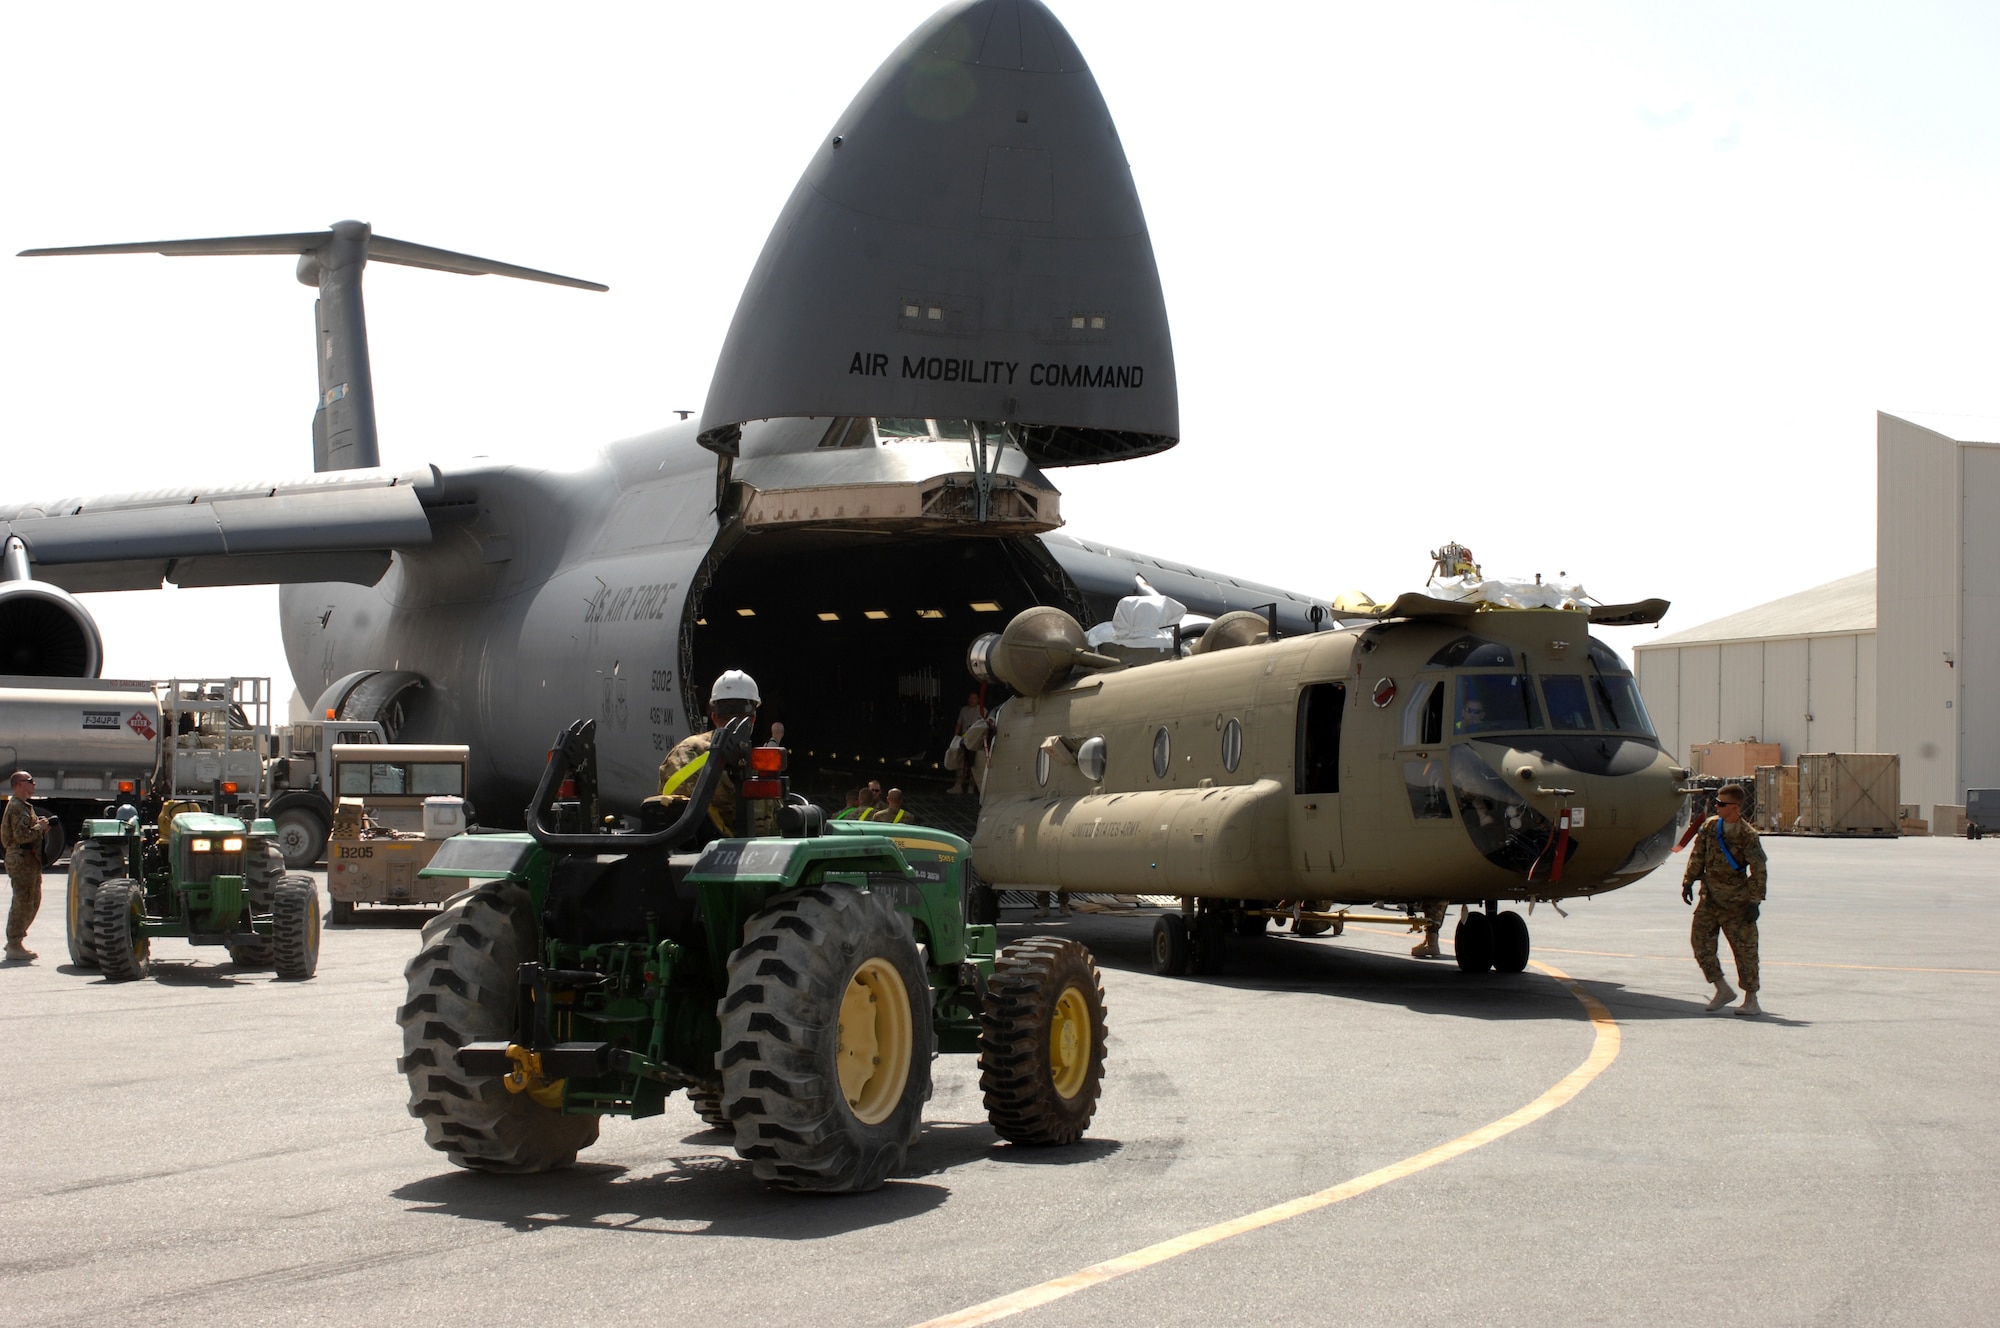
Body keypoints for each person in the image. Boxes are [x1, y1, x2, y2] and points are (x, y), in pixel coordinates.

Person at [1681, 782, 1767, 1015]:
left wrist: (1754, 901)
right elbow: (1698, 854)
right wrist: (1689, 880)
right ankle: (1722, 988)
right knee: (1700, 944)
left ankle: (1751, 1000)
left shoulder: (1747, 835)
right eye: (1717, 802)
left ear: (1735, 807)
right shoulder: (1711, 827)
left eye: (1721, 803)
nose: (1716, 806)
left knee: (1745, 950)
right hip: (1709, 899)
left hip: (1736, 903)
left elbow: (1758, 868)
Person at [657, 671, 760, 838]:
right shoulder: (755, 764)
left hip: (687, 852)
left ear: (713, 717)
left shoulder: (683, 753)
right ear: (753, 719)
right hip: (748, 857)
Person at [3, 771, 51, 962]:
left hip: (29, 860)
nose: (34, 784)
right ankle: (14, 943)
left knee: (32, 901)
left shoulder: (23, 807)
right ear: (19, 785)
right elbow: (21, 836)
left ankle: (16, 941)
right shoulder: (16, 807)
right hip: (21, 859)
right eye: (30, 781)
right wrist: (40, 827)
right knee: (22, 902)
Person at [949, 691, 985, 795]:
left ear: (978, 699)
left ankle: (971, 786)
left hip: (977, 742)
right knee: (960, 763)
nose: (971, 700)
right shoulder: (964, 710)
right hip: (964, 741)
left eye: (974, 698)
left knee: (974, 765)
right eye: (970, 698)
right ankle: (958, 785)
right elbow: (959, 724)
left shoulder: (982, 710)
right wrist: (955, 738)